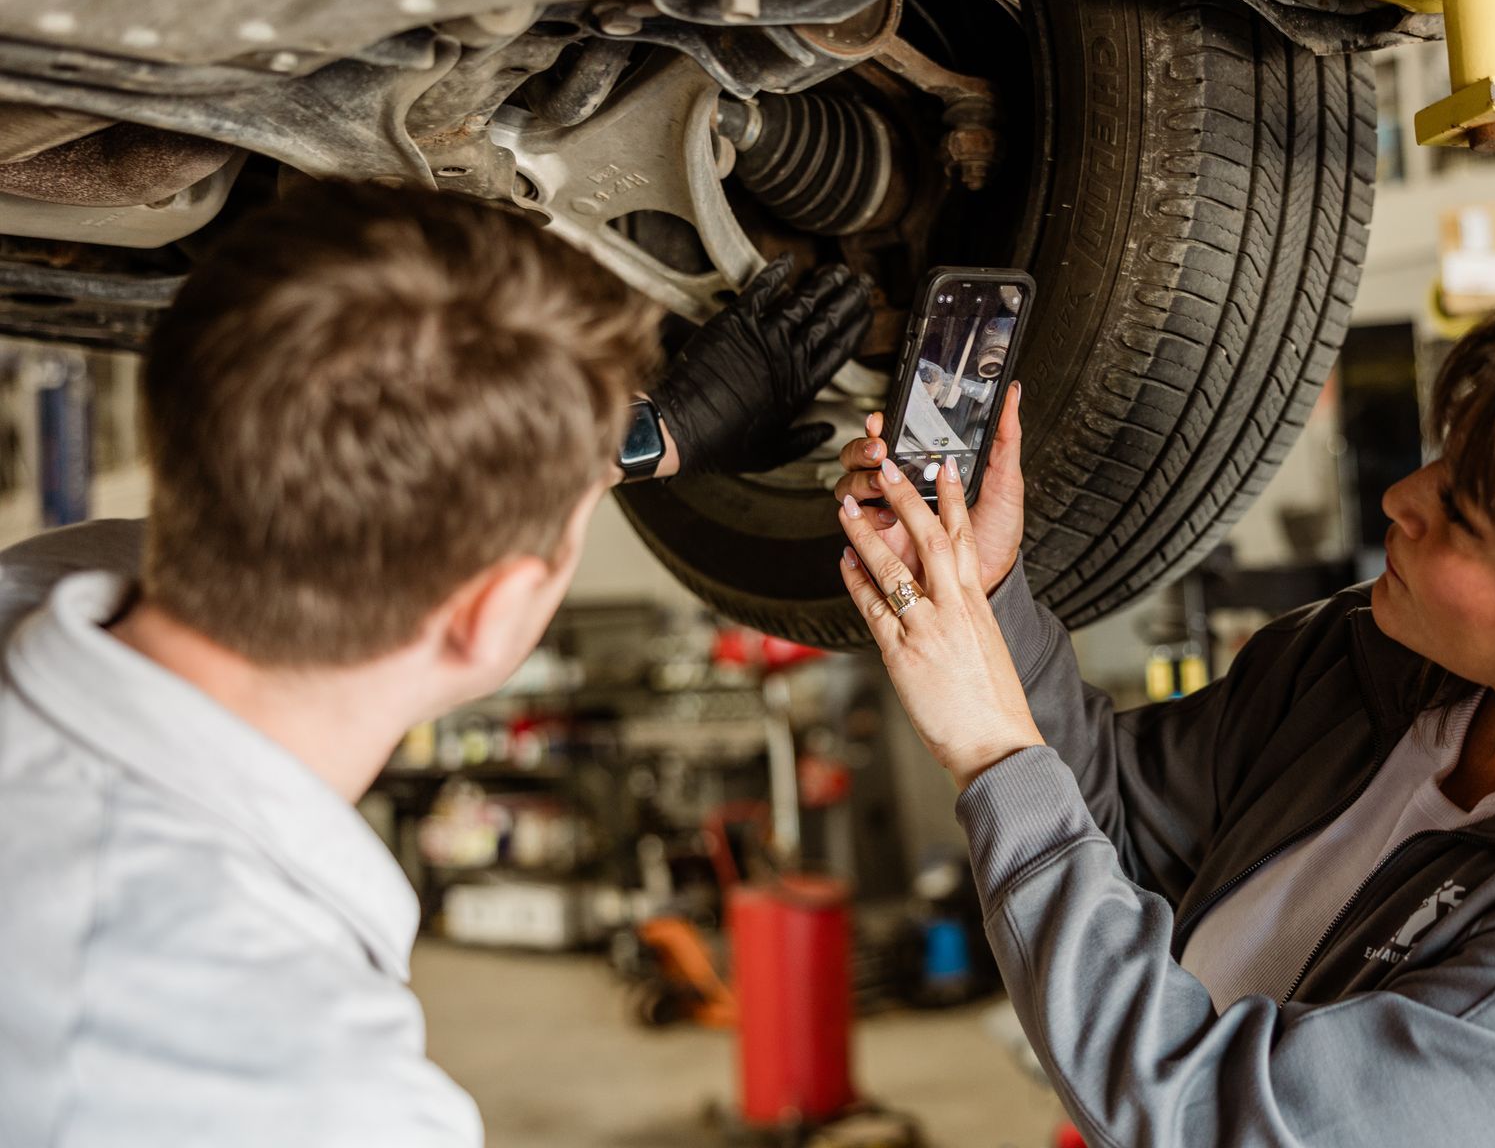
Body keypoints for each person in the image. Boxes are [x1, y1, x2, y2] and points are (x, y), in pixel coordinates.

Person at [831, 298, 1495, 1147]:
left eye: (1466, 515)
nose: (1404, 494)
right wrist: (989, 597)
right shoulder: (1384, 669)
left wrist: (991, 749)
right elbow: (1114, 819)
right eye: (1446, 455)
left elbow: (1207, 1113)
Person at [0, 179, 870, 1146]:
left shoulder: (37, 590)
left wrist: (650, 434)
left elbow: (344, 491)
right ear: (491, 616)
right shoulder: (296, 1093)